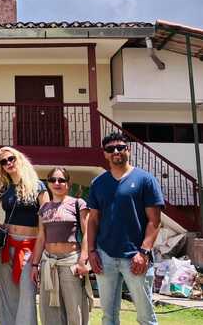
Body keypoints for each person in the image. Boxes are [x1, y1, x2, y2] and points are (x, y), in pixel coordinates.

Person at [87, 133, 163, 325]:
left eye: (120, 147)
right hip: (105, 256)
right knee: (108, 316)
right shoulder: (98, 183)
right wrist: (91, 251)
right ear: (105, 154)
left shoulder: (145, 180)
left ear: (128, 149)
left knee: (146, 316)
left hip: (135, 257)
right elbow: (93, 220)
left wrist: (144, 252)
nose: (116, 152)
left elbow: (154, 221)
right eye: (110, 149)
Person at [0, 146, 49, 325]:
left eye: (11, 159)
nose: (8, 163)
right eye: (3, 162)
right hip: (6, 245)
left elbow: (45, 223)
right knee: (7, 294)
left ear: (19, 160)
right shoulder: (5, 189)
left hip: (29, 246)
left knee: (27, 293)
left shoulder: (39, 187)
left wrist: (39, 257)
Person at [30, 167, 92, 325]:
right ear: (48, 183)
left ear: (68, 183)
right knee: (50, 310)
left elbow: (87, 234)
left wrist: (83, 261)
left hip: (70, 263)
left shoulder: (78, 204)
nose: (57, 183)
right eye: (52, 180)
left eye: (61, 180)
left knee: (74, 308)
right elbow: (41, 237)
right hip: (48, 263)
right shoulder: (44, 208)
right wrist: (34, 265)